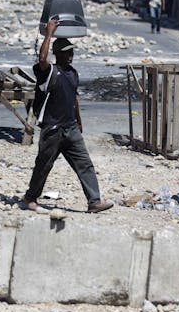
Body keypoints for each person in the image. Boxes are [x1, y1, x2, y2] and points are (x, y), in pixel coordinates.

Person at [23, 19, 114, 214]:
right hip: (52, 130)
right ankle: (30, 197)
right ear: (58, 54)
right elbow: (41, 59)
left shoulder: (73, 73)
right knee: (43, 165)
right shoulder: (47, 72)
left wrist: (79, 122)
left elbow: (74, 99)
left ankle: (94, 201)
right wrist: (49, 33)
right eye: (67, 52)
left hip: (71, 128)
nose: (71, 55)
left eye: (72, 51)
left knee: (85, 164)